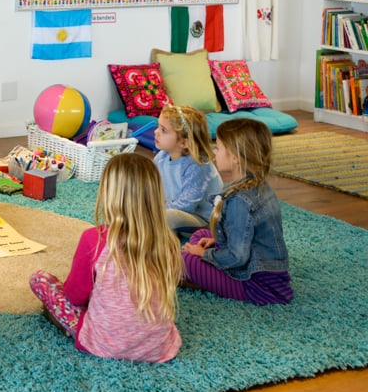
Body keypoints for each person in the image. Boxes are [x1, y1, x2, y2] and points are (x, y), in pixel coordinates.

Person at [29, 153, 184, 363]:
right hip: (157, 348)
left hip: (102, 343)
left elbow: (75, 296)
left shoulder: (94, 239)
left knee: (39, 280)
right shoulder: (169, 242)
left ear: (108, 194)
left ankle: (69, 325)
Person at [182, 118, 293, 305]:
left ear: (235, 157)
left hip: (255, 284)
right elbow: (247, 235)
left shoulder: (239, 201)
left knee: (182, 260)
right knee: (201, 235)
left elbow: (237, 257)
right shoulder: (260, 187)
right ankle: (205, 274)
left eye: (218, 148)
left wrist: (204, 255)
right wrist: (215, 242)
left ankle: (203, 277)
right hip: (271, 274)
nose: (214, 152)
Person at [153, 104, 223, 233]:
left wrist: (154, 211)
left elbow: (187, 205)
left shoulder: (197, 165)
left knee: (168, 216)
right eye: (158, 126)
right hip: (176, 212)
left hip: (204, 221)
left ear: (184, 143)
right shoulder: (161, 157)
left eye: (163, 130)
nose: (156, 132)